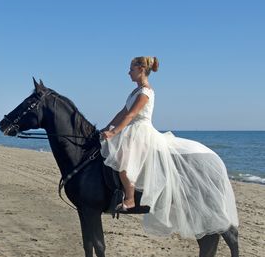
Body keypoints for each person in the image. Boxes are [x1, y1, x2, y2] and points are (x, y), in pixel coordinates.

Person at [100, 56, 238, 239]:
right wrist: (106, 128)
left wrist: (114, 132)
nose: (128, 72)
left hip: (141, 131)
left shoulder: (146, 92)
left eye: (131, 69)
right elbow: (122, 112)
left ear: (141, 69)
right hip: (132, 130)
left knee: (123, 162)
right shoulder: (134, 92)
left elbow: (132, 115)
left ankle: (130, 199)